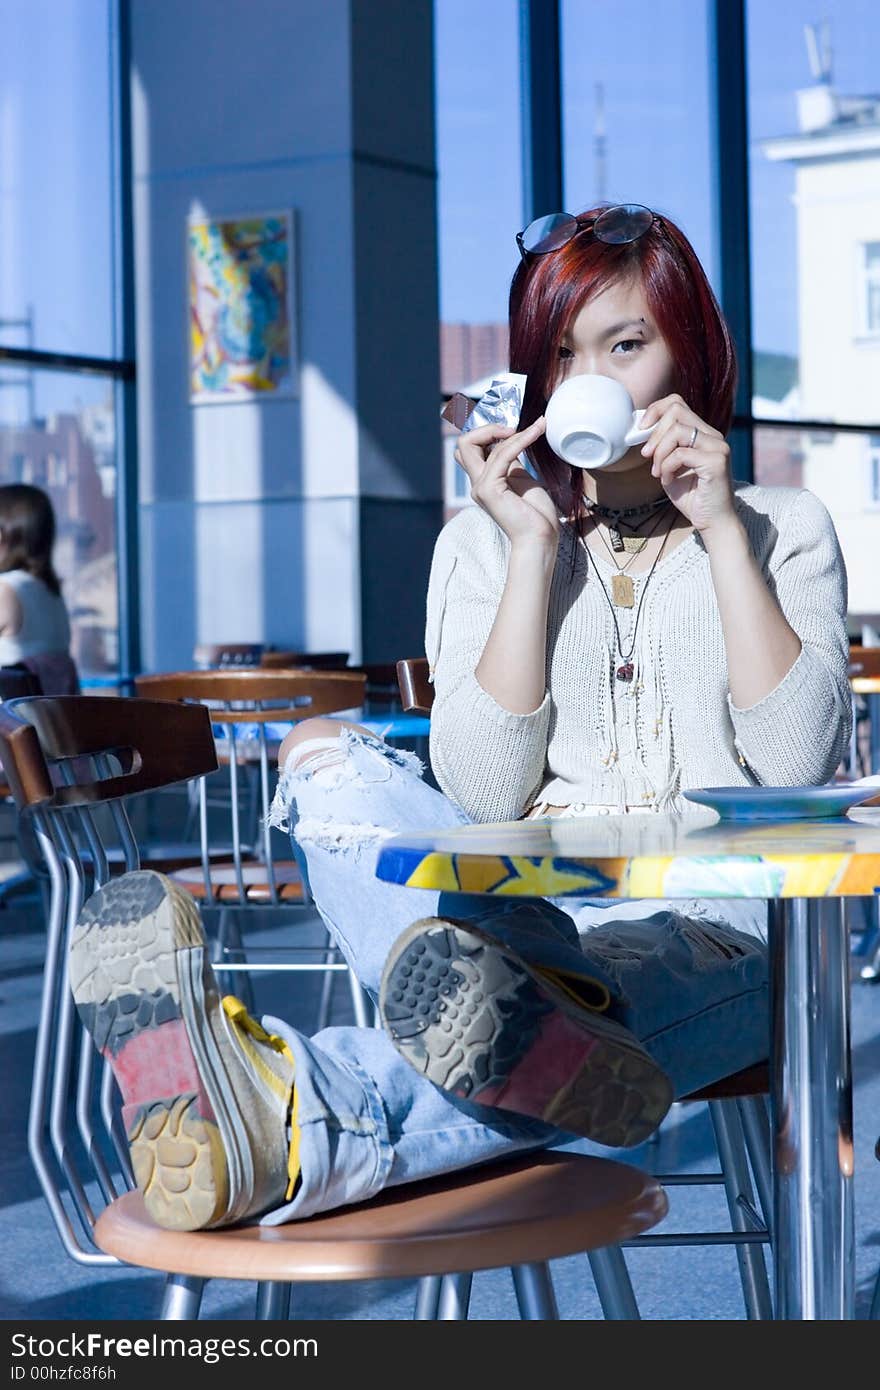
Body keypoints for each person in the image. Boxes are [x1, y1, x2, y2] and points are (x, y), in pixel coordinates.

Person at [69, 202, 850, 1233]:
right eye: (565, 355)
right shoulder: (483, 545)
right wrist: (529, 549)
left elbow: (795, 765)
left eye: (627, 344)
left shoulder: (778, 527)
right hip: (520, 902)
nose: (595, 383)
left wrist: (715, 526)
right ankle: (539, 1011)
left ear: (689, 350)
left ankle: (285, 1114)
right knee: (324, 759)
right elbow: (483, 793)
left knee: (569, 987)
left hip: (718, 933)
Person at [0, 483, 79, 695]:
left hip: (11, 724)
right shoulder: (51, 594)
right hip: (52, 724)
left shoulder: (6, 590)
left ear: (4, 535)